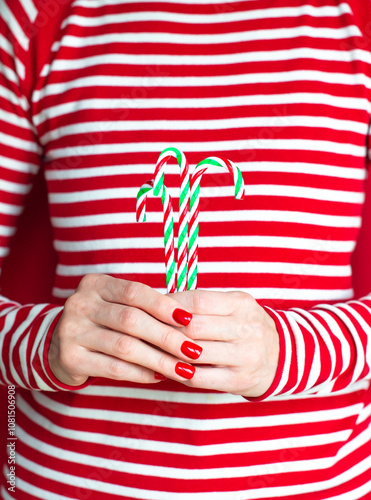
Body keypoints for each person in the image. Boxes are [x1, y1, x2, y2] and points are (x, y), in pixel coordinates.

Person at [0, 0, 371, 498]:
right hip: (63, 483)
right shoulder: (35, 19)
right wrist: (43, 343)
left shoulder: (359, 20)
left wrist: (288, 351)